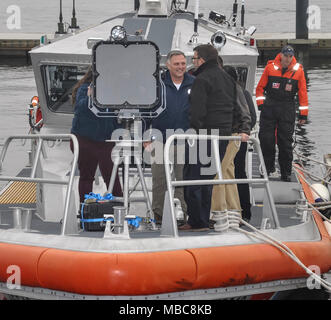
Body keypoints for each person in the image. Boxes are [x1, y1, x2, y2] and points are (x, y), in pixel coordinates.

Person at [180, 44, 249, 231]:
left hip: (203, 135)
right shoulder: (227, 79)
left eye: (194, 58)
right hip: (222, 136)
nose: (193, 62)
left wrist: (193, 131)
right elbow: (235, 108)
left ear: (202, 59)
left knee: (192, 179)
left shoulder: (201, 79)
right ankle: (203, 218)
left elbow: (197, 111)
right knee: (208, 179)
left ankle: (196, 221)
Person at [143, 50, 195, 224]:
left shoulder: (194, 84)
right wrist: (145, 136)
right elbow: (146, 113)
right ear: (168, 65)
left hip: (185, 141)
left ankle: (183, 215)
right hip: (159, 140)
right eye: (177, 64)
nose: (181, 67)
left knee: (182, 180)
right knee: (159, 179)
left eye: (183, 63)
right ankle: (158, 214)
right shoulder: (157, 85)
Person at [256, 45, 309, 182]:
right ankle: (268, 169)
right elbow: (260, 88)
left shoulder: (298, 71)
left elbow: (302, 94)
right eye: (285, 56)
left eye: (290, 56)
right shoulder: (270, 68)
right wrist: (261, 104)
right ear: (281, 55)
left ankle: (285, 173)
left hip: (287, 108)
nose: (287, 59)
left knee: (285, 142)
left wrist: (303, 114)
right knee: (266, 140)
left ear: (292, 57)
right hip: (270, 107)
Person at [71, 67, 122, 202]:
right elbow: (80, 109)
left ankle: (120, 209)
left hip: (106, 141)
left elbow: (117, 117)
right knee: (87, 176)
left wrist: (118, 131)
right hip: (84, 139)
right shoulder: (84, 89)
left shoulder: (114, 91)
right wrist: (90, 97)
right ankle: (85, 211)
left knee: (112, 176)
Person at [211, 65, 251, 216]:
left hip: (233, 136)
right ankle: (234, 210)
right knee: (228, 173)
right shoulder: (224, 91)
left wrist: (244, 130)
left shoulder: (235, 90)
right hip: (226, 136)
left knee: (219, 172)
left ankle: (219, 210)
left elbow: (247, 113)